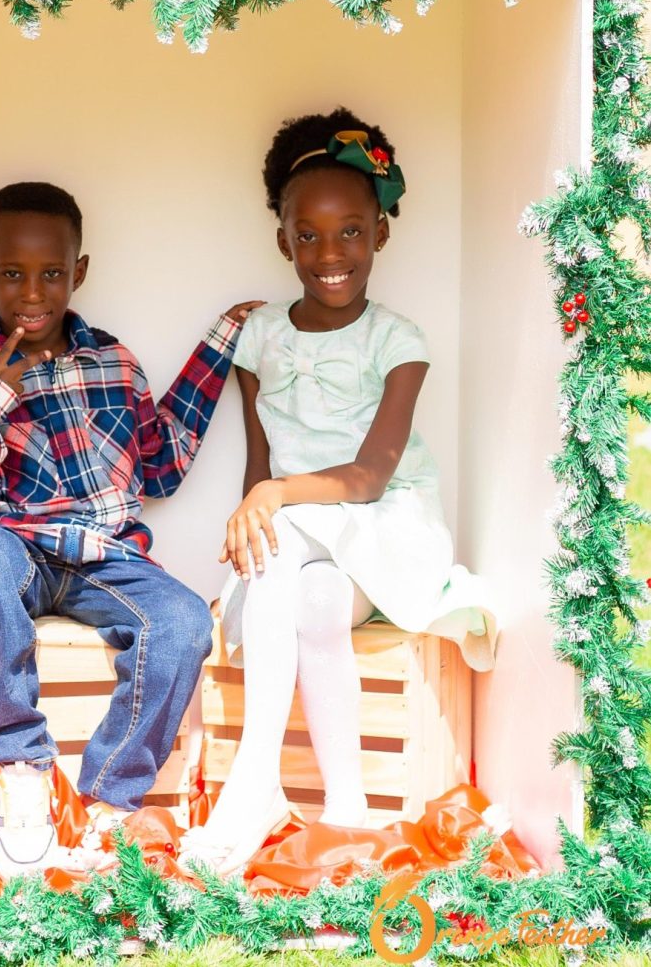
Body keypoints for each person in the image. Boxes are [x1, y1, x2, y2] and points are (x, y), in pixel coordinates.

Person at [181, 108, 494, 877]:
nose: (329, 253)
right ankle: (347, 805)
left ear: (378, 232)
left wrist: (272, 499)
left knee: (289, 538)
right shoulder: (258, 337)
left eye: (350, 231)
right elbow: (260, 460)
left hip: (385, 528)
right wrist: (258, 514)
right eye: (308, 235)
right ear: (282, 240)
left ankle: (254, 783)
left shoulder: (397, 340)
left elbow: (369, 475)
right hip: (298, 542)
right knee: (312, 600)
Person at [0, 181, 262, 879]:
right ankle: (21, 772)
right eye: (12, 273)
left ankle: (109, 803)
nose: (32, 292)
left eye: (51, 273)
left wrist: (218, 346)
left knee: (181, 621)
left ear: (78, 271)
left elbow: (160, 470)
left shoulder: (114, 362)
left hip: (104, 556)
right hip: (13, 547)